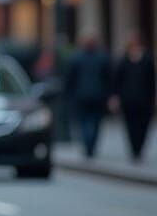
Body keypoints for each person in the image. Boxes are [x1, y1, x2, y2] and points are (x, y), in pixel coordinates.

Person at [64, 36, 112, 158]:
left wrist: (69, 95)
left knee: (85, 122)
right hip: (97, 96)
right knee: (95, 122)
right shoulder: (102, 58)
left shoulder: (76, 58)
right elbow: (108, 78)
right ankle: (91, 145)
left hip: (83, 96)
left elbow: (69, 79)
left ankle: (88, 145)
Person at [112, 32, 155, 161]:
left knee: (144, 124)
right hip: (127, 99)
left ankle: (139, 147)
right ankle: (134, 149)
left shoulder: (147, 59)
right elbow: (117, 80)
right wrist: (115, 97)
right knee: (130, 125)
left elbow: (152, 79)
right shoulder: (124, 59)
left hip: (145, 98)